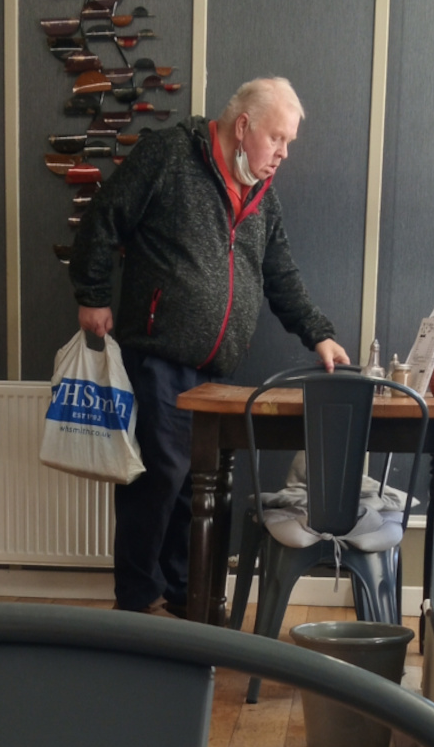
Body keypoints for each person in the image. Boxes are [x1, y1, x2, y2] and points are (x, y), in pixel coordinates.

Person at [68, 76, 350, 618]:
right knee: (157, 479)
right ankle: (136, 600)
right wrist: (94, 295)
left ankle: (184, 596)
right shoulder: (170, 155)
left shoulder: (262, 194)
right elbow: (104, 216)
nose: (283, 154)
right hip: (158, 354)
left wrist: (320, 333)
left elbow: (279, 273)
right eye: (277, 139)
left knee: (194, 490)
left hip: (215, 371)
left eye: (288, 143)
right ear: (243, 126)